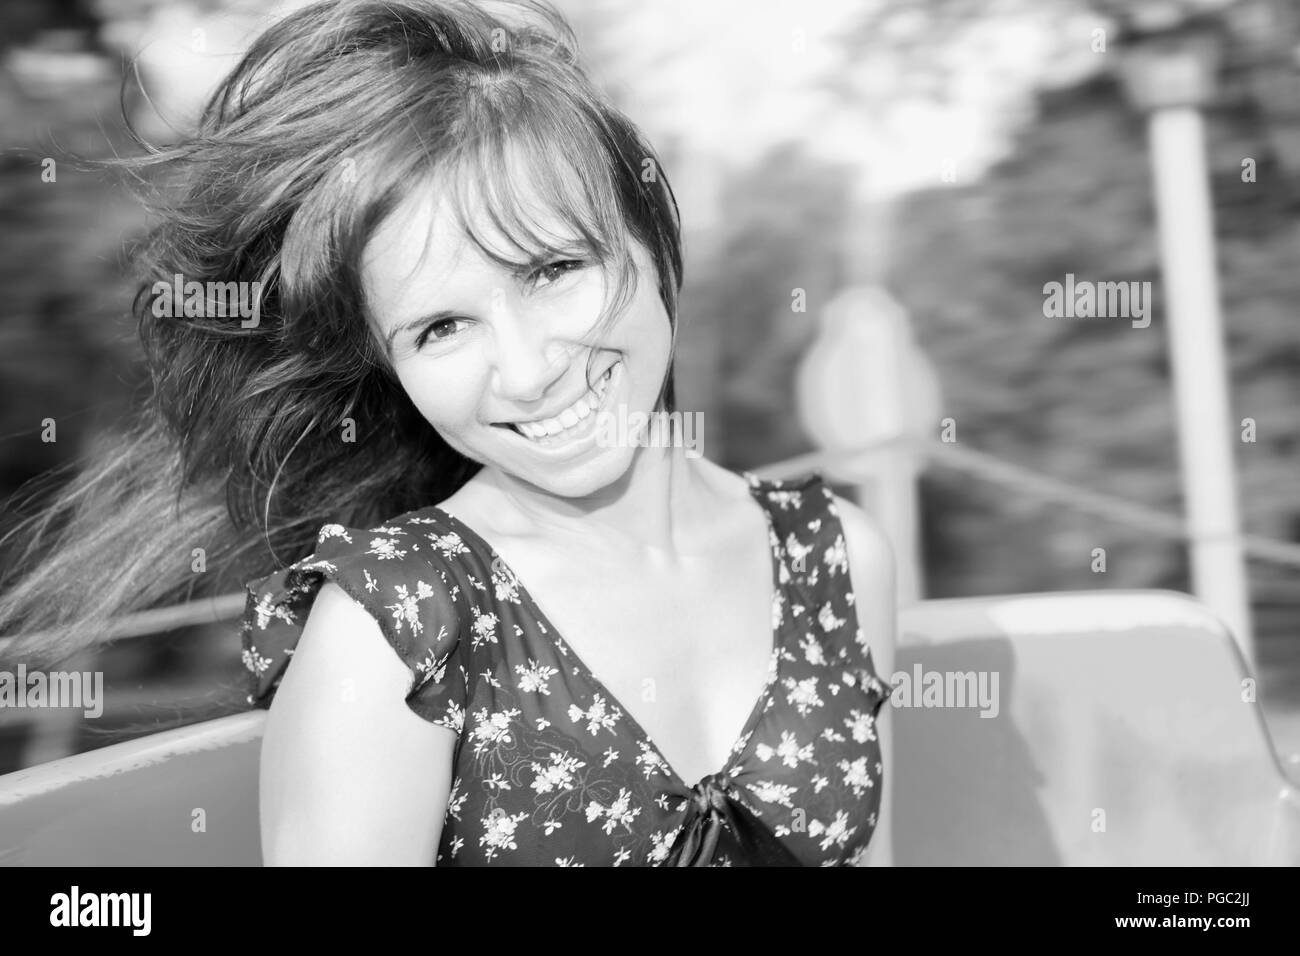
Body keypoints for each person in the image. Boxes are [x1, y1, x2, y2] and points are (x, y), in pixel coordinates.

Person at [2, 0, 896, 867]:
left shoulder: (837, 560)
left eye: (552, 269)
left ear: (652, 239)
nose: (527, 368)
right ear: (392, 368)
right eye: (441, 328)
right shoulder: (400, 622)